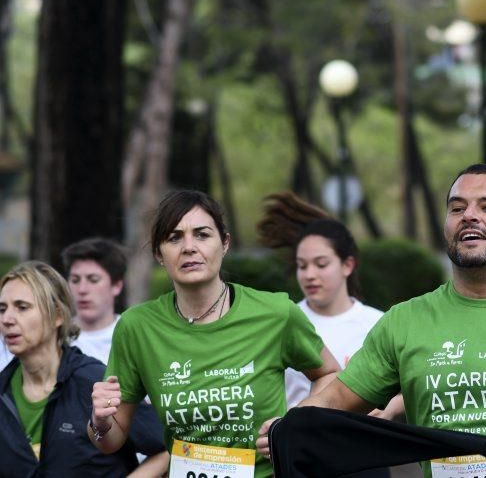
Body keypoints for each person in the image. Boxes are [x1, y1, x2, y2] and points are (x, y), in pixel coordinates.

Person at [258, 164, 486, 478]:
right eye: (457, 207)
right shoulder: (405, 322)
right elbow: (336, 399)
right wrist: (285, 429)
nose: (469, 215)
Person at [88, 189, 340, 477]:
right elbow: (109, 442)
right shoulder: (137, 327)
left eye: (202, 234)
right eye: (174, 237)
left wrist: (295, 424)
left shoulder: (275, 313)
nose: (189, 247)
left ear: (225, 243)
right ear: (159, 253)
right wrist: (99, 422)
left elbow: (329, 374)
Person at [258, 192, 396, 478]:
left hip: (362, 459)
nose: (309, 275)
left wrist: (389, 411)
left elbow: (410, 383)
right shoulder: (281, 320)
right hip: (298, 459)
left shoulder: (378, 323)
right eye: (301, 265)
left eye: (321, 265)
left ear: (348, 265)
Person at [0, 261, 168, 476]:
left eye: (22, 307)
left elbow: (165, 447)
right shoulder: (3, 388)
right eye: (2, 309)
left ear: (58, 315)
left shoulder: (94, 380)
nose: (7, 319)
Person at [61, 237, 127, 365]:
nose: (82, 289)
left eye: (93, 280)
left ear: (116, 286)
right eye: (75, 280)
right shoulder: (56, 338)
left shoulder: (132, 336)